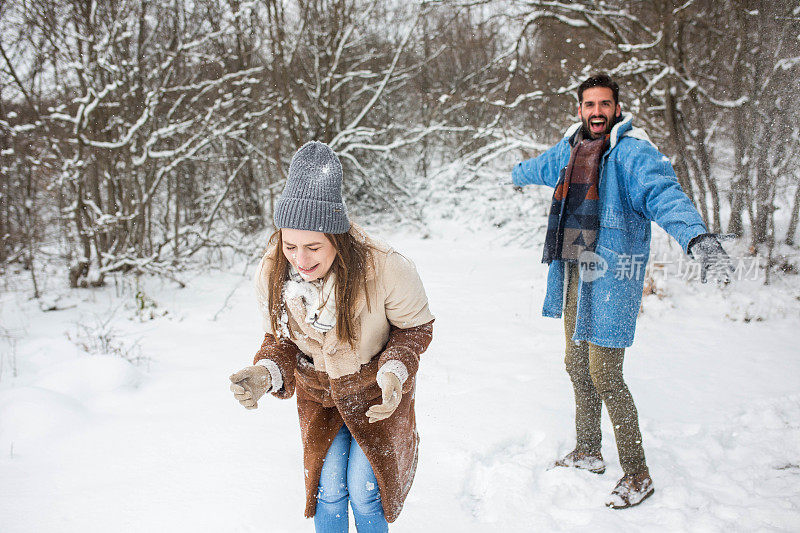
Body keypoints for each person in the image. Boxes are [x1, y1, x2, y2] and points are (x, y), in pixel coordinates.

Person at [511, 73, 733, 509]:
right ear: (579, 109)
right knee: (576, 364)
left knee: (606, 375)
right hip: (573, 269)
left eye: (604, 104)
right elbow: (539, 167)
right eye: (589, 104)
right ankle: (589, 450)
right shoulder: (570, 149)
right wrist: (514, 173)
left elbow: (664, 193)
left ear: (616, 108)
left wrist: (697, 237)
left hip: (612, 277)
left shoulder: (632, 154)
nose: (596, 111)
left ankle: (638, 473)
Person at [229, 141, 435, 532]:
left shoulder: (386, 266)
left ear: (337, 239)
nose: (300, 260)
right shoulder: (272, 270)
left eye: (313, 247)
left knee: (363, 488)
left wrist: (394, 372)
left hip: (376, 394)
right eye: (290, 245)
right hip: (319, 397)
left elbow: (415, 328)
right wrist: (264, 373)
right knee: (329, 486)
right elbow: (281, 339)